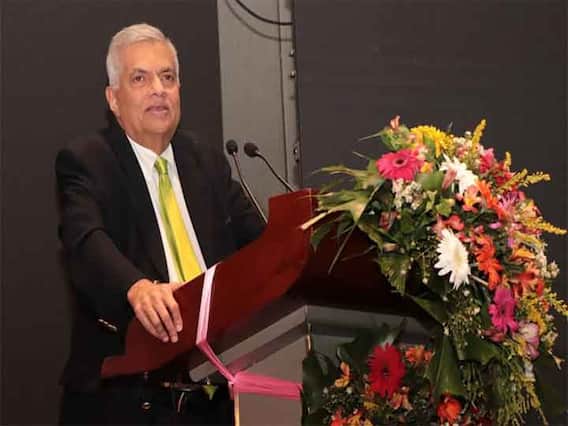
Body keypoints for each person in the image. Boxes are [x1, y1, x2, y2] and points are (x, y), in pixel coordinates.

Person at [55, 23, 264, 424]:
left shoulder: (206, 161)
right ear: (113, 99)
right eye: (140, 78)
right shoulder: (88, 160)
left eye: (168, 77)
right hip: (129, 392)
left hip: (215, 392)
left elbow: (262, 243)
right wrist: (137, 288)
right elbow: (85, 239)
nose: (158, 89)